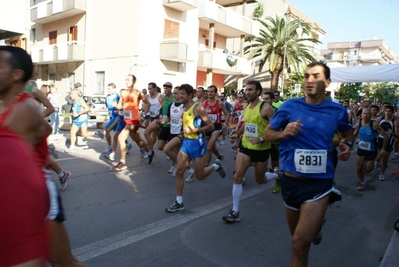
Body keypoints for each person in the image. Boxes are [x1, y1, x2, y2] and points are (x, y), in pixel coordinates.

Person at [0, 45, 87, 267]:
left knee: (63, 262)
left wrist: (39, 125)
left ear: (16, 74)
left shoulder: (25, 107)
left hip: (35, 193)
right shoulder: (9, 107)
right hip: (21, 191)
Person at [264, 62, 353, 267]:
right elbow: (268, 134)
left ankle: (314, 225)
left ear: (327, 82)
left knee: (299, 243)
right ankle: (316, 227)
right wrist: (283, 133)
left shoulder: (337, 111)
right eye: (305, 76)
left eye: (315, 76)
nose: (309, 80)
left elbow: (347, 134)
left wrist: (346, 144)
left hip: (319, 184)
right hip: (290, 182)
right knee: (299, 240)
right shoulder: (289, 106)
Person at [165, 84, 226, 213]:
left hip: (198, 143)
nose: (179, 95)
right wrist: (184, 132)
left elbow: (210, 126)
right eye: (179, 93)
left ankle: (216, 166)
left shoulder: (197, 108)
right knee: (179, 171)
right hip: (187, 142)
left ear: (190, 95)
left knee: (200, 175)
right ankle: (179, 202)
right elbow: (187, 125)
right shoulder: (183, 108)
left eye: (183, 93)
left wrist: (195, 130)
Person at [222, 80, 276, 222]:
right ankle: (235, 211)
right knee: (237, 177)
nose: (247, 92)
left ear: (258, 91)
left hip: (262, 149)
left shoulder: (266, 108)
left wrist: (261, 139)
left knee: (260, 180)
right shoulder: (246, 108)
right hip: (245, 147)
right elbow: (247, 125)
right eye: (246, 89)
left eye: (250, 89)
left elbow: (277, 129)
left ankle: (276, 175)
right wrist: (237, 134)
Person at [114, 74, 152, 171]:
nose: (127, 81)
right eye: (126, 80)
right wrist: (116, 106)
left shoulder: (138, 93)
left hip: (134, 120)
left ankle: (123, 163)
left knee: (121, 138)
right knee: (137, 139)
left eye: (129, 80)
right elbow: (119, 106)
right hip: (127, 119)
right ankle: (150, 152)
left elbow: (148, 103)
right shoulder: (123, 92)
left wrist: (144, 113)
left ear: (134, 81)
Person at [353, 108, 387, 191]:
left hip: (371, 150)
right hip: (361, 149)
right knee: (359, 167)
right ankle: (362, 182)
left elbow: (385, 136)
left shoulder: (374, 125)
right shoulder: (358, 124)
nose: (365, 115)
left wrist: (383, 149)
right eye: (364, 113)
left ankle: (373, 163)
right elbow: (354, 135)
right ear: (361, 115)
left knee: (368, 170)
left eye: (368, 114)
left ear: (371, 116)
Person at [101, 85, 133, 161]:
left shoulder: (118, 96)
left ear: (114, 89)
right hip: (113, 117)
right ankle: (127, 145)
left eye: (109, 88)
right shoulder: (107, 96)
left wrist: (118, 108)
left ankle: (110, 149)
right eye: (107, 88)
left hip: (118, 118)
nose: (108, 90)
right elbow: (108, 105)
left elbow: (123, 107)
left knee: (106, 130)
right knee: (117, 136)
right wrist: (104, 106)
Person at [202, 85, 230, 167]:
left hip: (216, 127)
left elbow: (227, 114)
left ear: (215, 93)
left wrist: (225, 123)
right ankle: (219, 156)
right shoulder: (205, 103)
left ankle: (206, 165)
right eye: (208, 91)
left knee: (209, 147)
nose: (209, 93)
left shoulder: (220, 103)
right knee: (211, 146)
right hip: (207, 127)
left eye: (211, 92)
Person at [262, 91, 281, 193]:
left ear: (273, 100)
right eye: (263, 99)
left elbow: (280, 127)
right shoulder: (260, 109)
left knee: (275, 165)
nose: (264, 101)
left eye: (267, 99)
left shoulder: (277, 111)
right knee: (259, 162)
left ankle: (278, 181)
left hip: (274, 143)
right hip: (263, 142)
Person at [374, 105, 399, 181]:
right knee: (378, 157)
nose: (387, 113)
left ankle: (382, 173)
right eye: (386, 111)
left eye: (389, 111)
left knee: (385, 159)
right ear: (384, 111)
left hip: (389, 142)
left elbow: (398, 135)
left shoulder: (395, 122)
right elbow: (374, 128)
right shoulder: (379, 119)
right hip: (379, 140)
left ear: (392, 112)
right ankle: (377, 161)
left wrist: (393, 133)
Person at [143, 82, 164, 163]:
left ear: (155, 88)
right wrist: (144, 114)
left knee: (146, 133)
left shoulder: (160, 96)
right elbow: (146, 107)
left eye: (150, 89)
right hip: (152, 117)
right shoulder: (147, 97)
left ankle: (151, 151)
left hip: (158, 118)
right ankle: (172, 150)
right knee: (159, 137)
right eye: (148, 89)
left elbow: (165, 106)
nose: (149, 90)